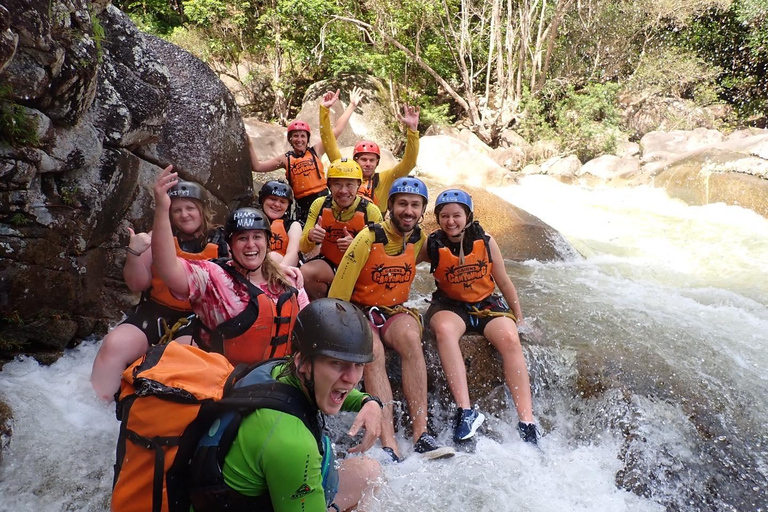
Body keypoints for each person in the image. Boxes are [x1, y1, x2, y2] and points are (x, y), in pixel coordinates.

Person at [189, 298, 383, 512]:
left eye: (359, 365)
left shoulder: (277, 370)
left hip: (231, 495)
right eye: (336, 363)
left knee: (369, 472)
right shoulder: (292, 442)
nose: (352, 378)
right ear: (303, 363)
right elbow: (291, 448)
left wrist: (369, 402)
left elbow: (344, 389)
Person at [328, 177, 454, 461]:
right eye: (402, 205)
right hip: (359, 310)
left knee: (411, 339)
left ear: (422, 211)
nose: (408, 211)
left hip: (394, 311)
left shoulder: (419, 238)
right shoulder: (366, 238)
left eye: (415, 206)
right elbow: (338, 294)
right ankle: (389, 442)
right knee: (373, 352)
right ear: (391, 207)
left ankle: (422, 435)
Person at [150, 165, 309, 366]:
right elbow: (168, 269)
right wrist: (162, 209)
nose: (251, 245)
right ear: (230, 246)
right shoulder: (212, 276)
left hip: (277, 377)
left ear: (267, 243)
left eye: (257, 237)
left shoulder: (290, 282)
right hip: (224, 379)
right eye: (242, 238)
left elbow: (310, 333)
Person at [90, 180, 228, 401]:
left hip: (199, 318)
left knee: (180, 358)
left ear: (202, 210)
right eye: (177, 210)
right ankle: (96, 409)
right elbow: (137, 285)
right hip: (155, 312)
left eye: (190, 208)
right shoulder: (157, 236)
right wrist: (134, 254)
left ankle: (154, 413)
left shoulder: (223, 243)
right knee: (113, 345)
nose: (184, 215)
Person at [423, 189, 538, 445]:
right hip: (450, 306)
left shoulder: (485, 240)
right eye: (444, 216)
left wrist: (519, 319)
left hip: (486, 304)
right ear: (438, 219)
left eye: (456, 215)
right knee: (443, 330)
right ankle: (465, 411)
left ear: (468, 216)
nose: (451, 221)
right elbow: (403, 260)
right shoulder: (431, 243)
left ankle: (527, 421)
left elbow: (504, 282)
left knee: (509, 337)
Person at [249, 89, 363, 223]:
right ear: (290, 139)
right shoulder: (285, 159)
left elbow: (336, 130)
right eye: (295, 136)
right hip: (302, 205)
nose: (299, 139)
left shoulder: (316, 151)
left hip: (324, 199)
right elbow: (257, 166)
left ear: (307, 139)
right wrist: (249, 144)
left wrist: (352, 106)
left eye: (302, 136)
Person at [320, 98, 421, 215]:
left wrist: (412, 130)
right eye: (363, 159)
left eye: (372, 160)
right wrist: (324, 110)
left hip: (374, 227)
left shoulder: (386, 178)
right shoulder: (344, 171)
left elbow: (410, 162)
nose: (368, 163)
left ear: (377, 162)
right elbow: (329, 145)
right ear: (355, 160)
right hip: (347, 223)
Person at [299, 159, 383, 300]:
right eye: (337, 184)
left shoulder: (371, 211)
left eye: (349, 184)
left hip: (360, 270)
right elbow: (303, 247)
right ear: (330, 186)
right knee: (305, 273)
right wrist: (311, 236)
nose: (343, 191)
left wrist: (357, 247)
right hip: (330, 264)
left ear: (358, 185)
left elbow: (380, 258)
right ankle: (323, 305)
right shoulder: (319, 204)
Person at [258, 179, 302, 267]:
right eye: (273, 199)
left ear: (287, 206)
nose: (277, 205)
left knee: (272, 256)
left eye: (283, 202)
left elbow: (293, 254)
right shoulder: (250, 221)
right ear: (263, 200)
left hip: (282, 271)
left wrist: (279, 274)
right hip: (253, 270)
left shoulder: (293, 226)